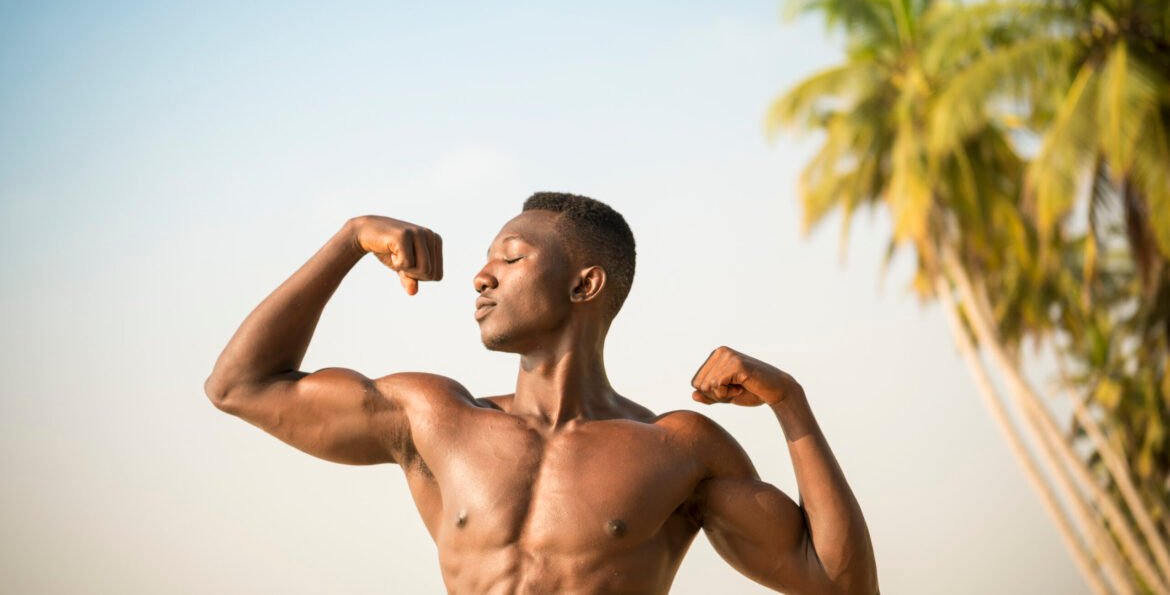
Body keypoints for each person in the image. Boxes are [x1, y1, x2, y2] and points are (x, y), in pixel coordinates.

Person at [205, 192, 879, 594]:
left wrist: (790, 401)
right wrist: (351, 238)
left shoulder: (678, 450)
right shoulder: (434, 417)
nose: (480, 275)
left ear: (584, 285)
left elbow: (842, 586)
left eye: (510, 256)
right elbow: (239, 384)